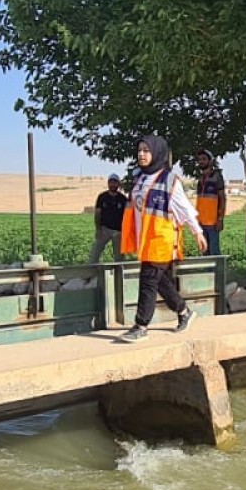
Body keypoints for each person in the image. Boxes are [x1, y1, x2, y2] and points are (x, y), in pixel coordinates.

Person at [119, 135, 206, 342]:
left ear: (157, 153)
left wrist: (198, 232)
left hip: (162, 239)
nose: (141, 154)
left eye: (146, 150)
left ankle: (141, 325)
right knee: (159, 281)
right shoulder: (140, 179)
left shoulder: (169, 180)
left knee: (148, 280)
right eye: (139, 150)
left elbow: (185, 209)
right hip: (147, 240)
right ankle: (184, 312)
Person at [193, 149, 226, 258]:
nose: (201, 162)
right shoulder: (200, 179)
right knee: (204, 250)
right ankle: (208, 274)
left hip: (212, 221)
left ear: (210, 161)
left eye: (204, 159)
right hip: (201, 221)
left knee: (214, 252)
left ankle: (218, 275)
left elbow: (222, 199)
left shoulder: (217, 177)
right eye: (200, 160)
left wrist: (220, 219)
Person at [89, 174, 128, 263]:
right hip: (104, 229)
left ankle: (119, 276)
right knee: (95, 253)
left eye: (115, 182)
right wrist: (98, 229)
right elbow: (98, 213)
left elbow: (127, 217)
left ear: (118, 184)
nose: (112, 184)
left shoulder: (123, 199)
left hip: (119, 231)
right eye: (111, 182)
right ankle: (89, 274)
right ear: (108, 183)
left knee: (119, 257)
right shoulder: (102, 197)